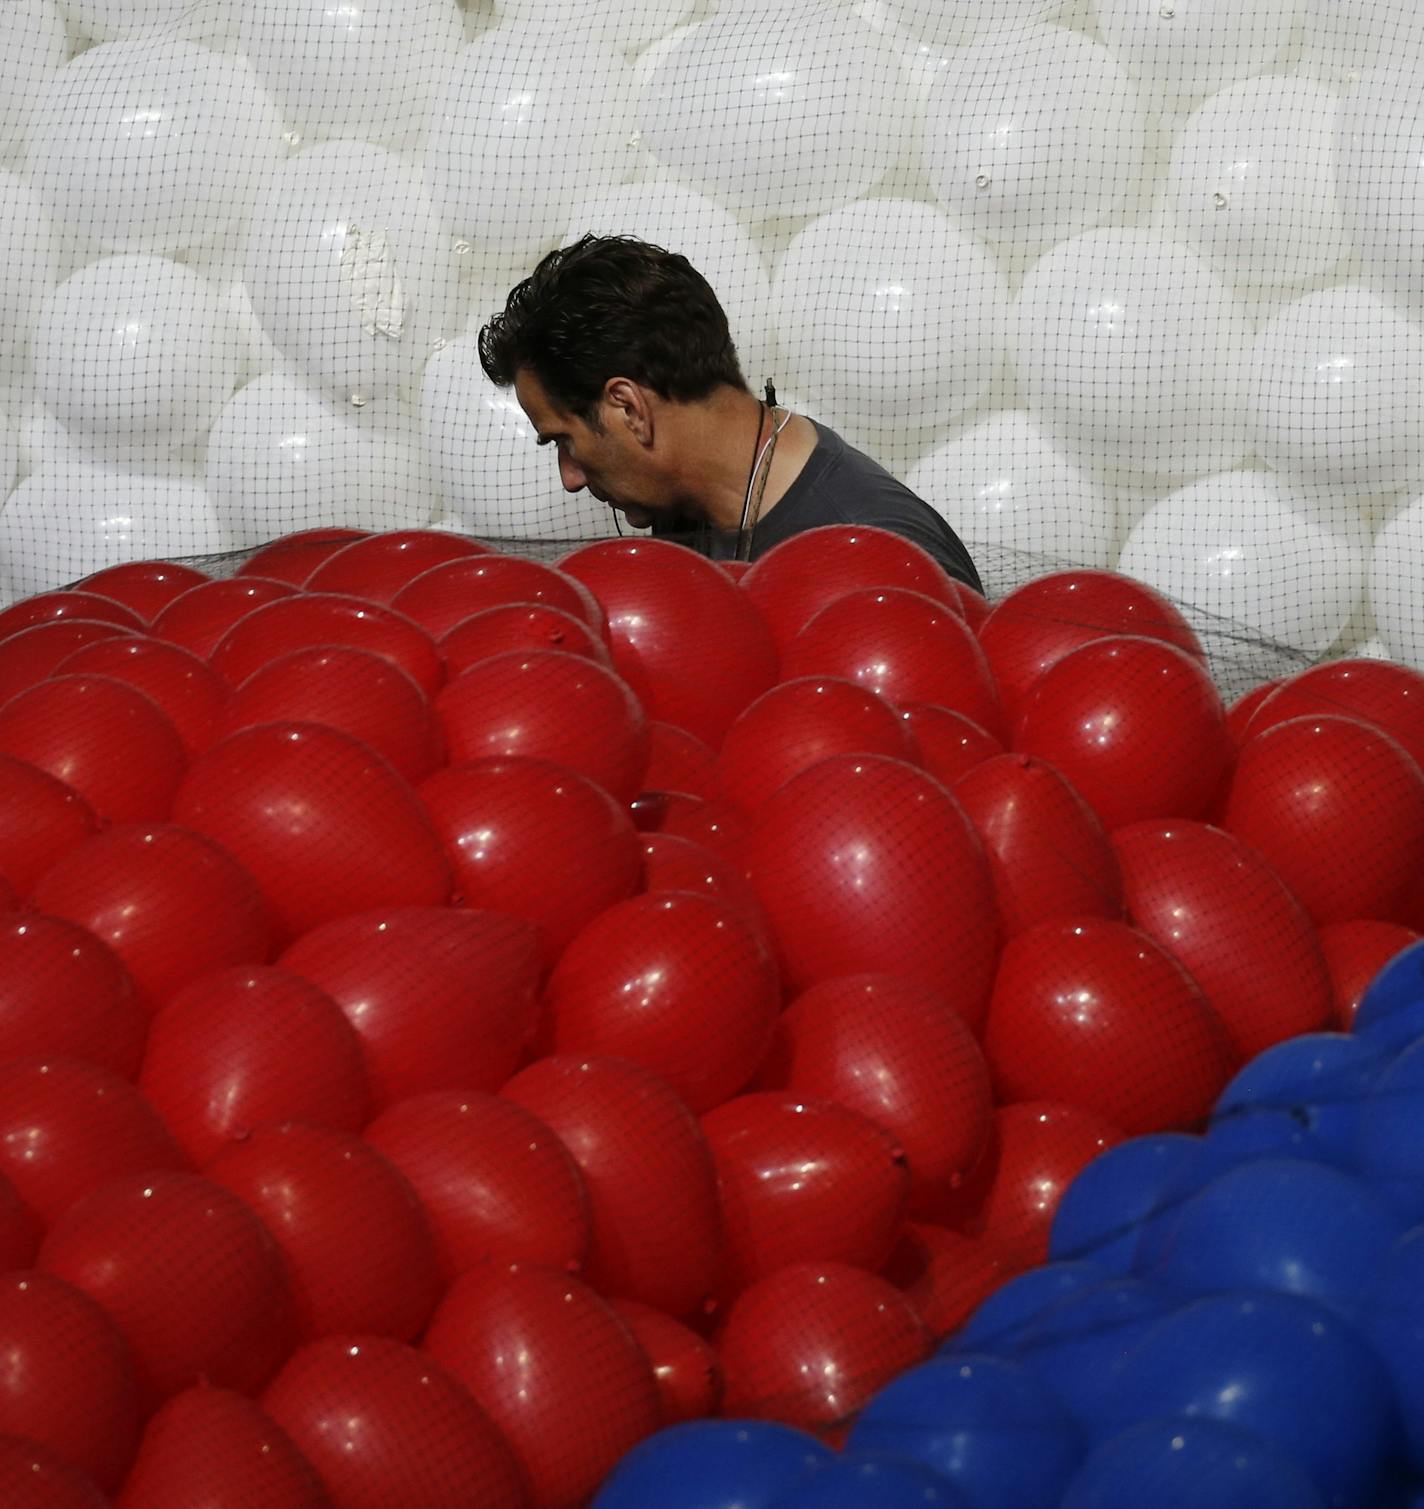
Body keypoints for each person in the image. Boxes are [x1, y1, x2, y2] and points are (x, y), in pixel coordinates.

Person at [477, 233, 984, 593]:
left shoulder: (879, 560)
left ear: (628, 408)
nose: (568, 477)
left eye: (563, 440)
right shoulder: (685, 510)